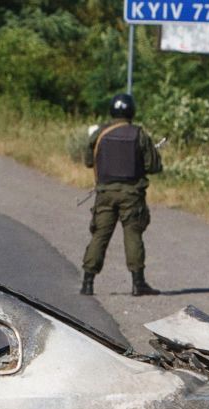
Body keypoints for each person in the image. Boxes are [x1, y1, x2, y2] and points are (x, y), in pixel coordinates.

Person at [80, 93, 163, 296]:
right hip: (131, 194)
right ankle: (138, 283)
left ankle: (87, 282)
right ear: (132, 111)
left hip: (105, 193)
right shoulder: (139, 134)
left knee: (100, 235)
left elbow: (89, 161)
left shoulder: (100, 133)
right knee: (133, 235)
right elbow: (153, 166)